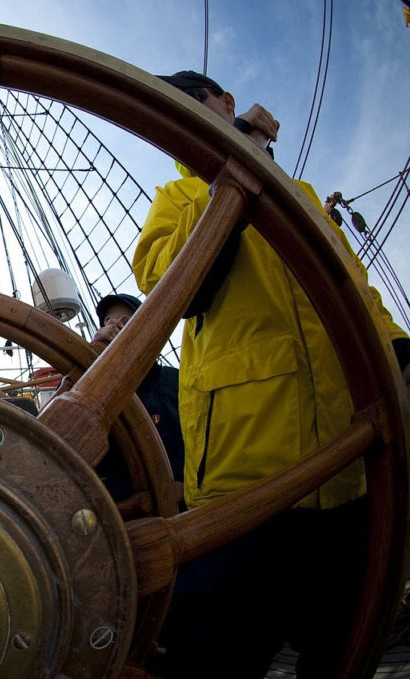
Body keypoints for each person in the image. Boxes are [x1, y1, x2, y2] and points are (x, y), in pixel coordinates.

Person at [133, 70, 410, 678]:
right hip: (243, 478)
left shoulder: (306, 197)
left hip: (346, 471)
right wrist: (233, 172)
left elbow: (357, 292)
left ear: (225, 103)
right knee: (217, 657)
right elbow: (169, 289)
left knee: (340, 650)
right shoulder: (179, 199)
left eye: (186, 102)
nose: (175, 119)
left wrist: (397, 354)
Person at [90, 293, 184, 503]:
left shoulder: (177, 381)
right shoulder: (96, 390)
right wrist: (93, 353)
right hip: (122, 510)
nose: (114, 327)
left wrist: (188, 488)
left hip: (182, 504)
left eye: (126, 321)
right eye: (108, 322)